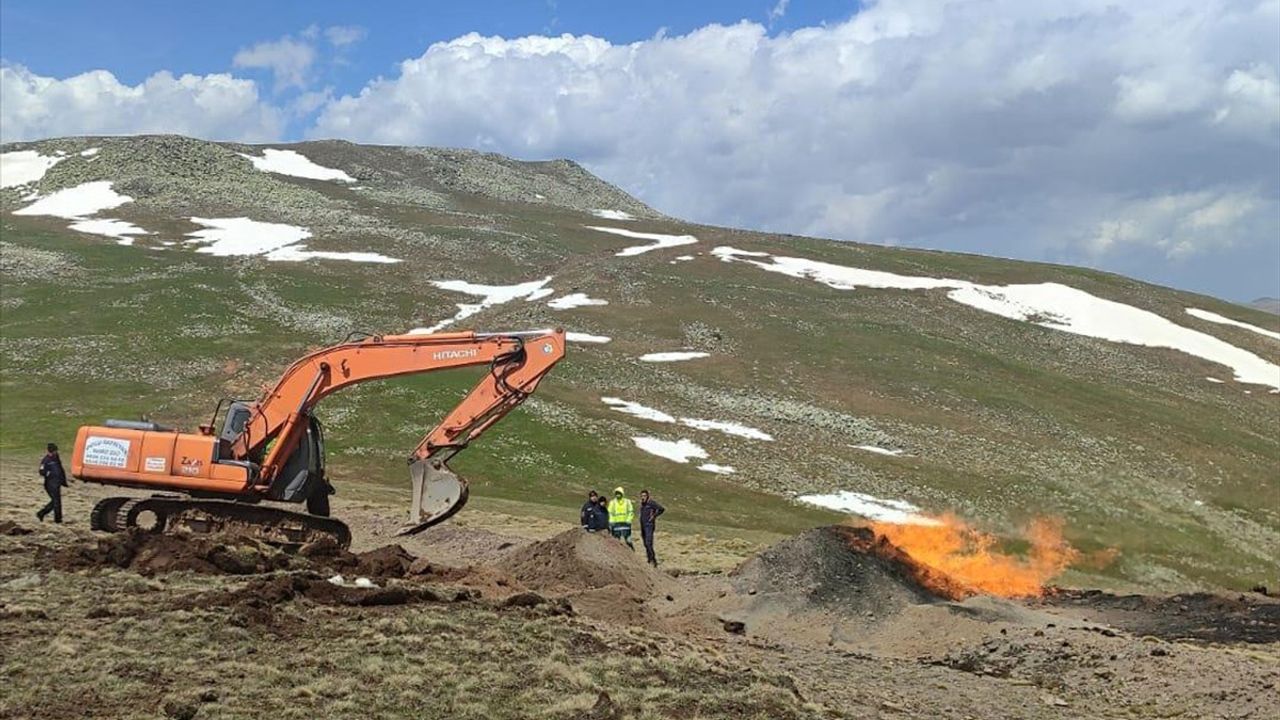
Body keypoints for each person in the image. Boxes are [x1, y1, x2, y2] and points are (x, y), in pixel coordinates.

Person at [37, 442, 69, 523]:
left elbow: (60, 470)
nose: (56, 452)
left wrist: (63, 481)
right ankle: (57, 519)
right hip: (50, 484)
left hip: (57, 483)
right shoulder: (46, 460)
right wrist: (50, 474)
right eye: (54, 451)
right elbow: (41, 471)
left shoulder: (56, 459)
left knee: (56, 501)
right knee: (56, 501)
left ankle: (43, 513)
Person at [638, 489, 665, 567]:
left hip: (649, 525)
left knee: (648, 543)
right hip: (643, 525)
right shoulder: (642, 504)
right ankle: (649, 559)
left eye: (644, 496)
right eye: (642, 496)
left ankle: (653, 560)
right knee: (645, 543)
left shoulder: (651, 503)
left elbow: (661, 509)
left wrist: (654, 516)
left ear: (647, 496)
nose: (643, 497)